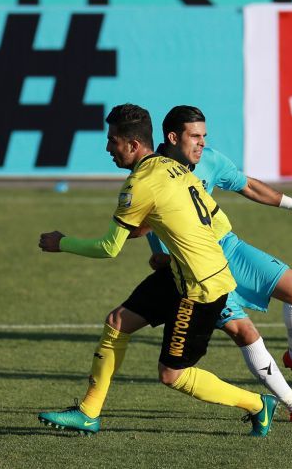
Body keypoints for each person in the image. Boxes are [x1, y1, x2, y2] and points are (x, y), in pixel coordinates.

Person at [37, 103, 277, 437]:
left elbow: (109, 247)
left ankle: (257, 404)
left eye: (113, 141)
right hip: (184, 272)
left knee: (172, 375)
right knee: (117, 322)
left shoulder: (139, 185)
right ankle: (88, 413)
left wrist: (61, 242)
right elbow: (218, 221)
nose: (108, 148)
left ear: (133, 145)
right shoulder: (174, 167)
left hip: (199, 288)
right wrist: (181, 251)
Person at [151, 105, 292, 390]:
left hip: (227, 248)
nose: (202, 143)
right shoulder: (150, 175)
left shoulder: (209, 160)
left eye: (204, 136)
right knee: (245, 332)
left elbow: (247, 186)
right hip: (195, 270)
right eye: (195, 136)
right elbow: (136, 224)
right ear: (173, 138)